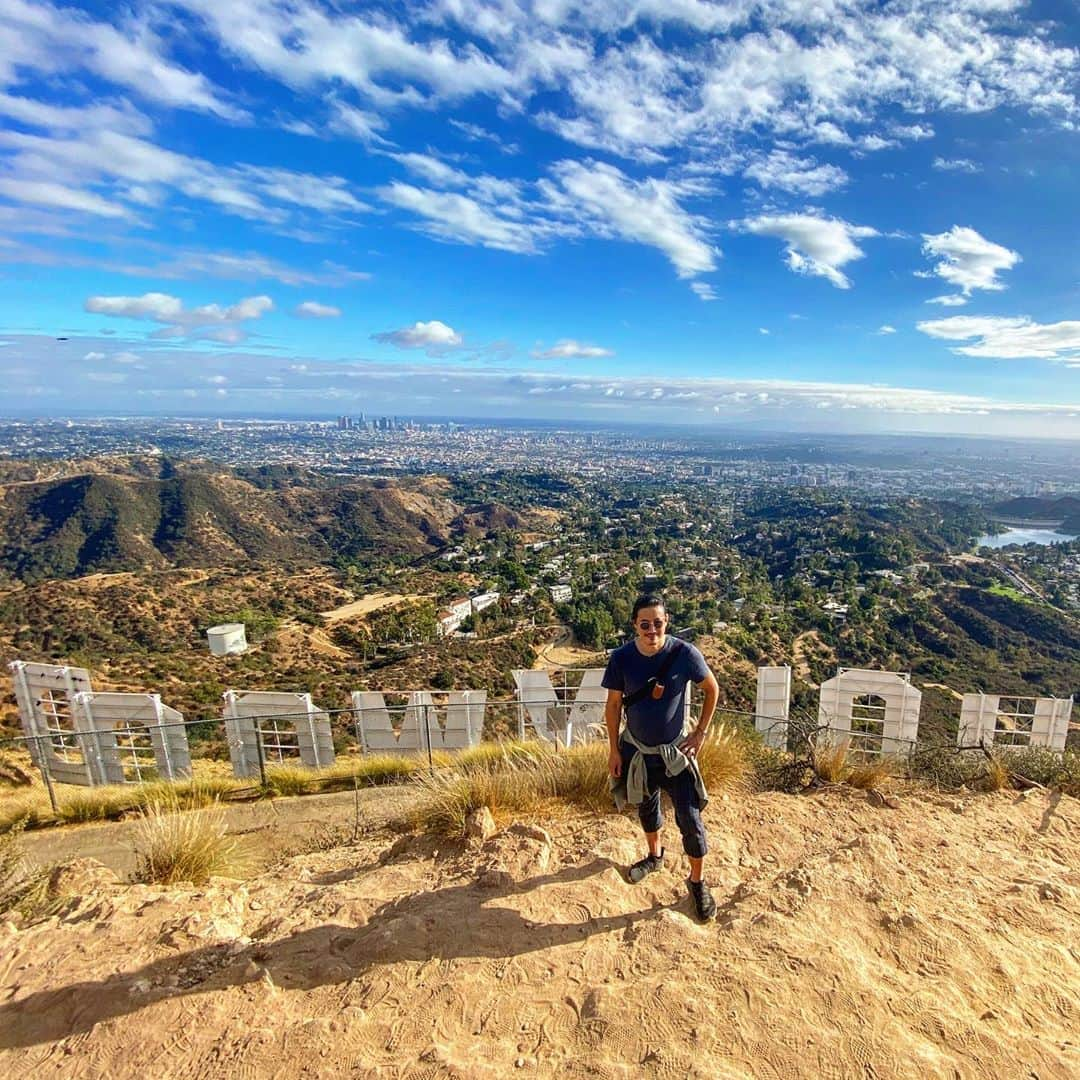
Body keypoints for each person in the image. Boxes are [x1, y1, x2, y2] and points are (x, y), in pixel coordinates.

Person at [602, 595, 720, 921]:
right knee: (646, 808)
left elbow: (712, 689)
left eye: (658, 623)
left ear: (667, 621)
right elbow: (613, 707)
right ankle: (654, 856)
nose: (652, 630)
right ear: (634, 625)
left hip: (675, 754)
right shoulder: (622, 658)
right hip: (638, 751)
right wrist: (614, 750)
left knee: (691, 821)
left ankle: (697, 883)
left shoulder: (684, 654)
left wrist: (700, 733)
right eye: (645, 624)